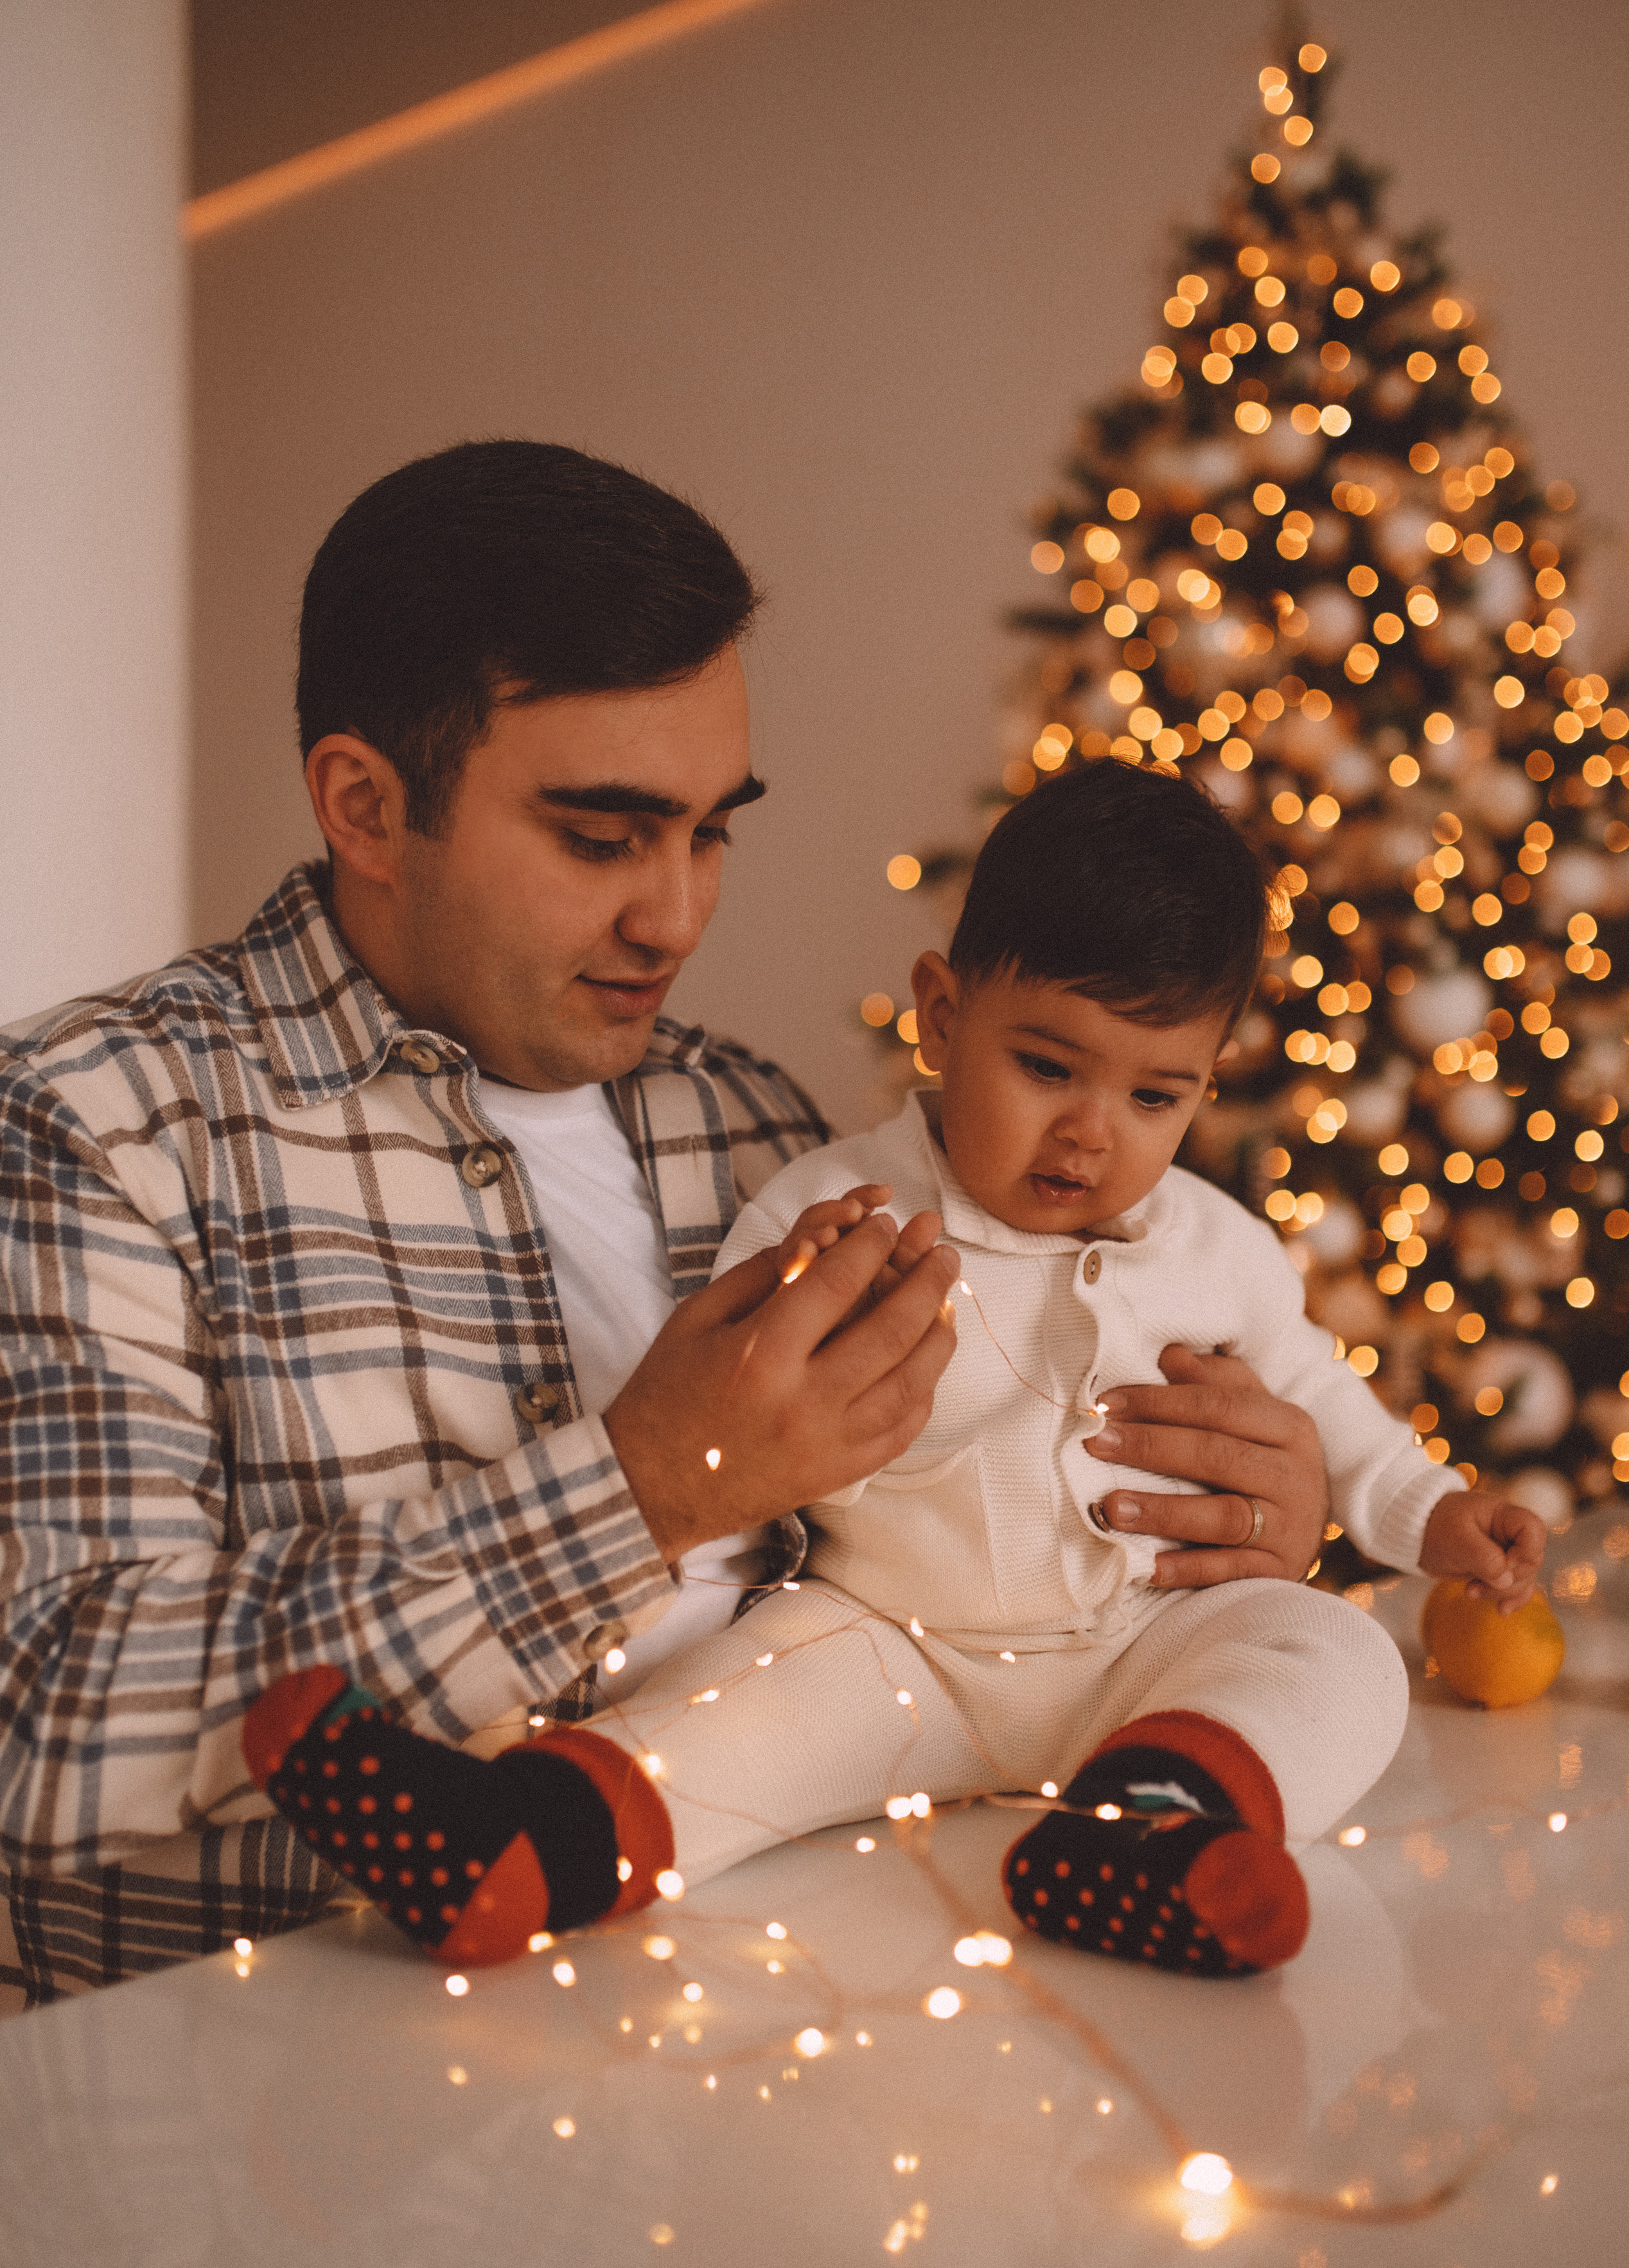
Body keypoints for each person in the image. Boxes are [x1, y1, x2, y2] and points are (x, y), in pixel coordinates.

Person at [0, 445, 1329, 2016]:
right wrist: (641, 1488)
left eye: (709, 832)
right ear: (366, 806)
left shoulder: (749, 1125)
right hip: (292, 2094)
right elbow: (39, 1733)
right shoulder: (94, 1127)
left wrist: (1227, 1519)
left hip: (769, 2037)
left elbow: (933, 1619)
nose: (676, 914)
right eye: (602, 837)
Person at [565, 765, 1548, 1977]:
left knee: (1339, 1658)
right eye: (1046, 1068)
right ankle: (542, 1830)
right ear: (941, 1017)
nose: (1092, 1131)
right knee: (738, 1709)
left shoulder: (1217, 1249)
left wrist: (1433, 1514)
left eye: (1154, 1094)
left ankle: (1152, 1819)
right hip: (891, 1646)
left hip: (1144, 1652)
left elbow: (1323, 1404)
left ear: (1205, 1083)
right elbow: (735, 1418)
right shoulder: (838, 1213)